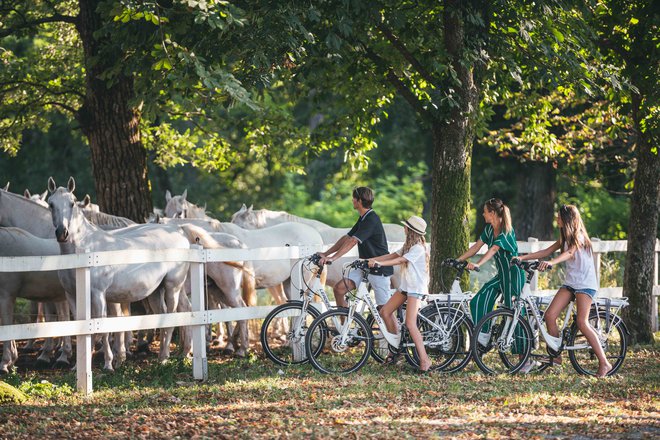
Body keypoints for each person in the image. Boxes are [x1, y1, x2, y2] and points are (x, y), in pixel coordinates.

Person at [515, 204, 612, 377]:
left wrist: (552, 263)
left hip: (585, 284)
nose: (556, 219)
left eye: (559, 217)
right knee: (549, 315)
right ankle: (556, 357)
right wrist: (522, 257)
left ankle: (604, 363)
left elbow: (569, 254)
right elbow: (546, 251)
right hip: (571, 284)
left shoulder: (579, 237)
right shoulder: (564, 237)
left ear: (567, 219)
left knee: (582, 322)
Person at [456, 198, 530, 369]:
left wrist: (478, 264)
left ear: (493, 213)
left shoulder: (506, 231)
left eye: (485, 211)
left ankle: (524, 360)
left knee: (516, 316)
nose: (483, 214)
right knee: (479, 299)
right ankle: (483, 337)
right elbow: (477, 246)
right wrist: (459, 260)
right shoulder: (489, 229)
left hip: (513, 276)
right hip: (501, 276)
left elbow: (494, 249)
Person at [367, 215, 431, 372]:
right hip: (406, 287)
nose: (404, 228)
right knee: (385, 311)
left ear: (411, 230)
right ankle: (396, 349)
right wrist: (372, 259)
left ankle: (425, 360)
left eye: (406, 227)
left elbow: (400, 261)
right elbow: (393, 255)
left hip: (415, 289)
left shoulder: (418, 248)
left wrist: (379, 263)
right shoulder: (408, 246)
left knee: (410, 323)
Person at [318, 186, 393, 308]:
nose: (352, 200)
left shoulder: (371, 219)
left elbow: (353, 241)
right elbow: (347, 237)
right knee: (339, 289)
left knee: (385, 312)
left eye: (353, 198)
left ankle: (394, 328)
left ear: (359, 201)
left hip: (379, 268)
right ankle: (344, 326)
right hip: (365, 266)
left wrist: (333, 258)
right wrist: (326, 254)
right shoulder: (363, 218)